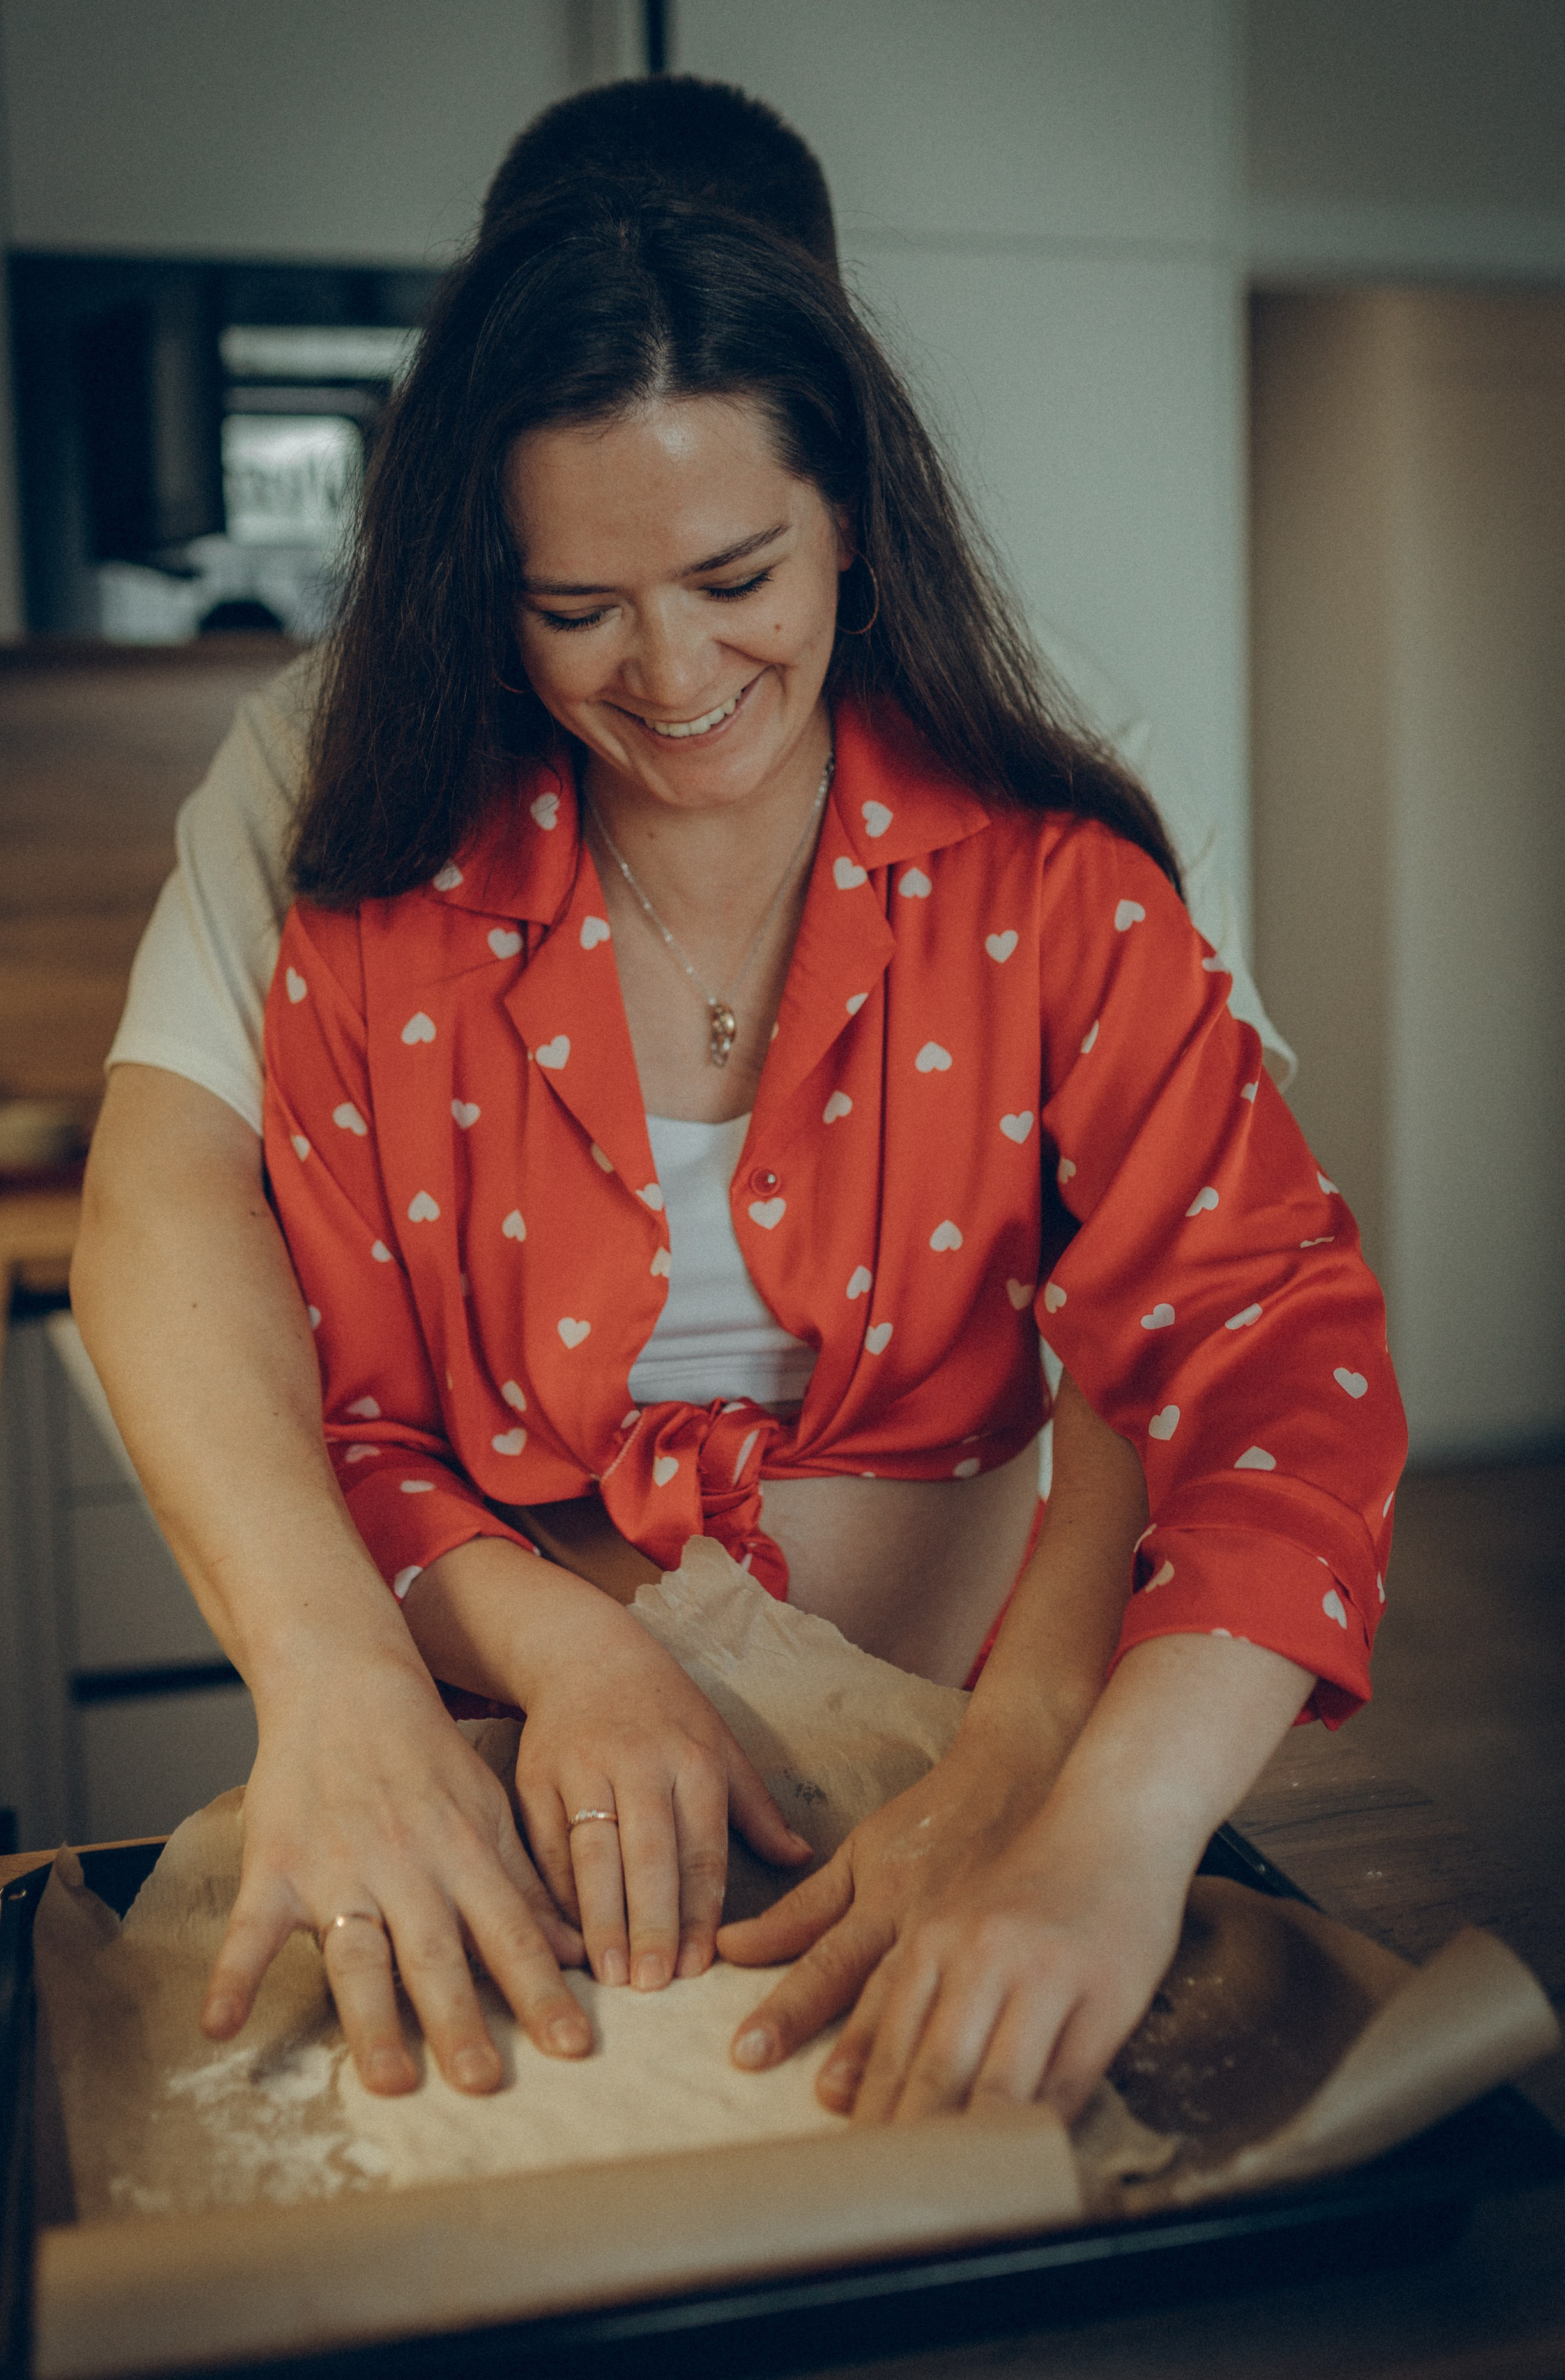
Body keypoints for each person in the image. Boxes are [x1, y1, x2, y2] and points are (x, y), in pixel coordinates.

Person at [252, 179, 1403, 2127]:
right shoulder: (378, 935)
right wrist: (578, 1664)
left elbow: (1275, 1363)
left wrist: (1095, 1810)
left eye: (733, 577)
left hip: (979, 1767)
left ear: (852, 524)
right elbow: (353, 1433)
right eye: (577, 609)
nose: (674, 674)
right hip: (522, 1783)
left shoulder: (1063, 895)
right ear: (484, 592)